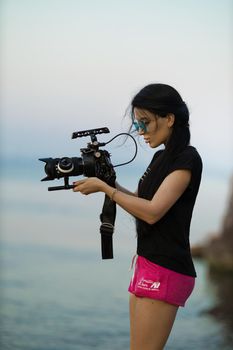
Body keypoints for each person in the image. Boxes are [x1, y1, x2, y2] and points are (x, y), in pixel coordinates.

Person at [73, 83, 202, 350]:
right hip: (147, 261)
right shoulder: (160, 159)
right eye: (137, 124)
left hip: (166, 267)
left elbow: (153, 213)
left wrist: (106, 189)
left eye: (145, 123)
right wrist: (108, 182)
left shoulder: (186, 159)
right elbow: (142, 203)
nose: (140, 131)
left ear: (169, 119)